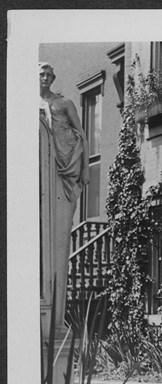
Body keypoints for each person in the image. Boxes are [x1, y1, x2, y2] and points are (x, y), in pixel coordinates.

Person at [39, 62, 89, 328]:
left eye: (49, 74)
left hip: (64, 168)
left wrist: (84, 170)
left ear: (53, 78)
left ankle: (56, 320)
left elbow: (81, 134)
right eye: (41, 74)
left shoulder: (64, 103)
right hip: (41, 169)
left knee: (59, 241)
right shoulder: (28, 104)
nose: (45, 78)